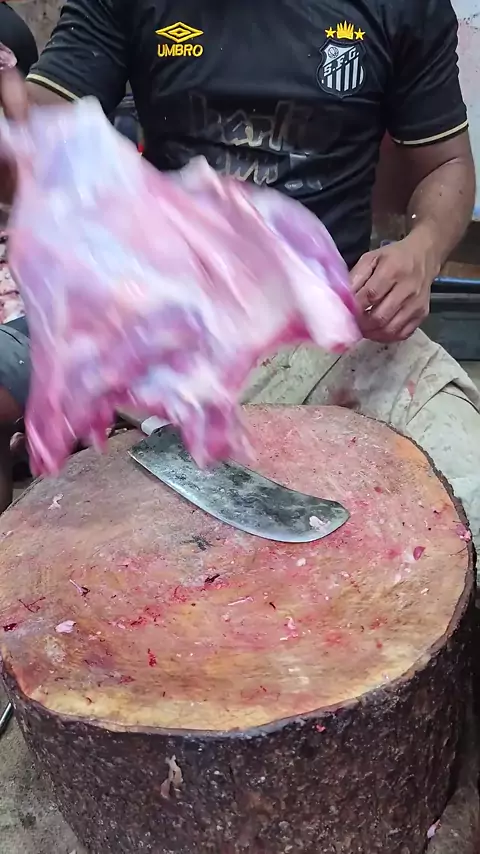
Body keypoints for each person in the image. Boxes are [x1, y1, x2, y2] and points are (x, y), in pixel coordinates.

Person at [0, 0, 479, 546]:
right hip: (155, 319)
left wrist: (422, 249)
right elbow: (34, 133)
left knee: (465, 487)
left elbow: (447, 164)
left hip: (336, 323)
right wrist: (14, 134)